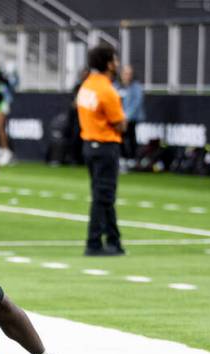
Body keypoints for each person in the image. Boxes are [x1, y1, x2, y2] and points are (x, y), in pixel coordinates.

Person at [76, 44, 126, 256]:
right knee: (103, 196)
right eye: (114, 60)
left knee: (104, 195)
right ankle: (93, 242)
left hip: (89, 145)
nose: (117, 63)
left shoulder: (87, 85)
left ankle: (114, 240)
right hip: (106, 146)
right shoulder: (107, 90)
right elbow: (120, 123)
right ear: (108, 64)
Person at [115, 65, 144, 169]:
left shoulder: (136, 87)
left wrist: (126, 116)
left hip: (131, 118)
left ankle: (132, 159)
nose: (127, 76)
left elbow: (136, 103)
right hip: (119, 118)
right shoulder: (116, 86)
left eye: (129, 74)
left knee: (131, 137)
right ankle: (122, 158)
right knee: (120, 138)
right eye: (126, 73)